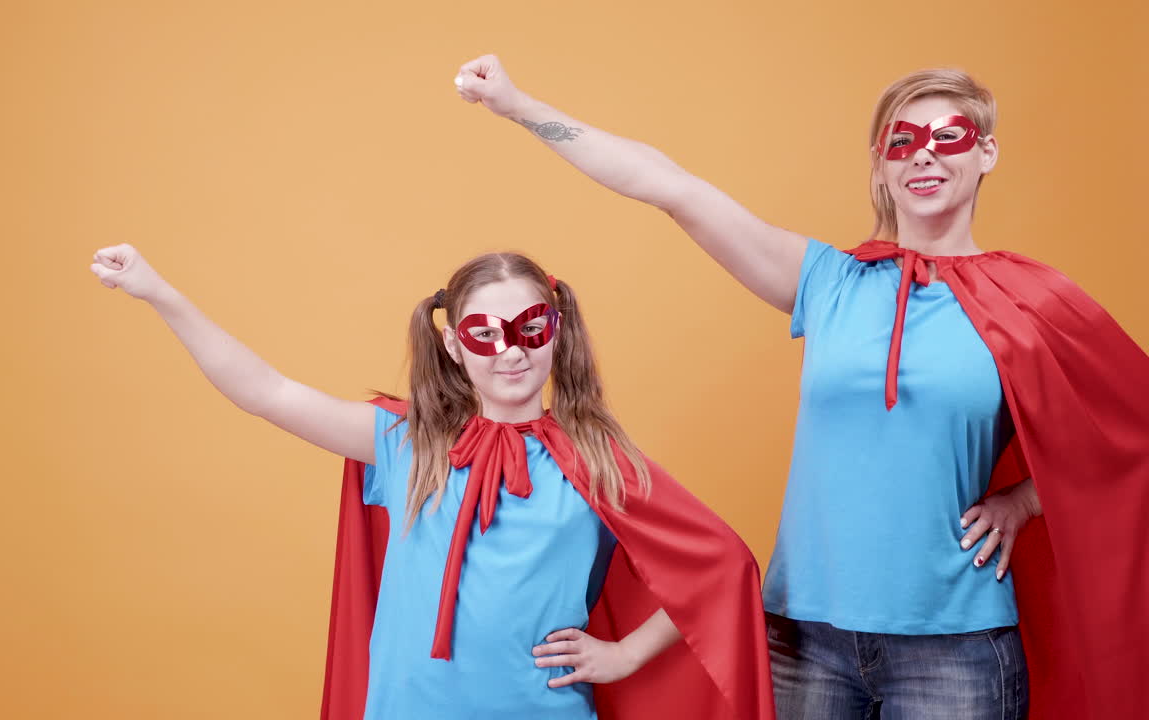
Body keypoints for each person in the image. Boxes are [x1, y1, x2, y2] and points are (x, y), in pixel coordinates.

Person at [455, 55, 1149, 719]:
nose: (924, 154)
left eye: (949, 136)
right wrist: (519, 107)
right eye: (901, 141)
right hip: (805, 641)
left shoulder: (1028, 302)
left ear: (986, 152)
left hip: (956, 647)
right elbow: (669, 186)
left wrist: (1022, 502)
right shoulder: (829, 282)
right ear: (880, 164)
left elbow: (1129, 426)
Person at [89, 246, 775, 719]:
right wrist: (160, 292)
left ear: (556, 332)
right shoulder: (407, 444)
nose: (509, 349)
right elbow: (265, 392)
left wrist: (624, 653)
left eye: (529, 327)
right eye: (483, 333)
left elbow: (723, 569)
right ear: (453, 345)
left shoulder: (597, 457)